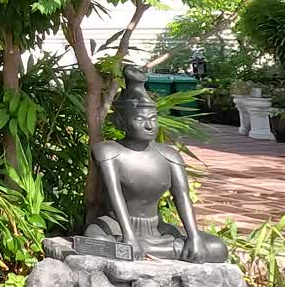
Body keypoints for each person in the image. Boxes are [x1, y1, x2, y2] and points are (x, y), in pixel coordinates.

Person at [82, 65, 228, 263]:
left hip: (156, 228)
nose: (149, 125)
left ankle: (147, 249)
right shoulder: (108, 151)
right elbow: (115, 195)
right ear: (121, 122)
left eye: (153, 118)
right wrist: (129, 236)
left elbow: (182, 196)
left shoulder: (169, 155)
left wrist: (193, 237)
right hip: (115, 226)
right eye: (139, 119)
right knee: (93, 240)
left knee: (217, 248)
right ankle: (156, 250)